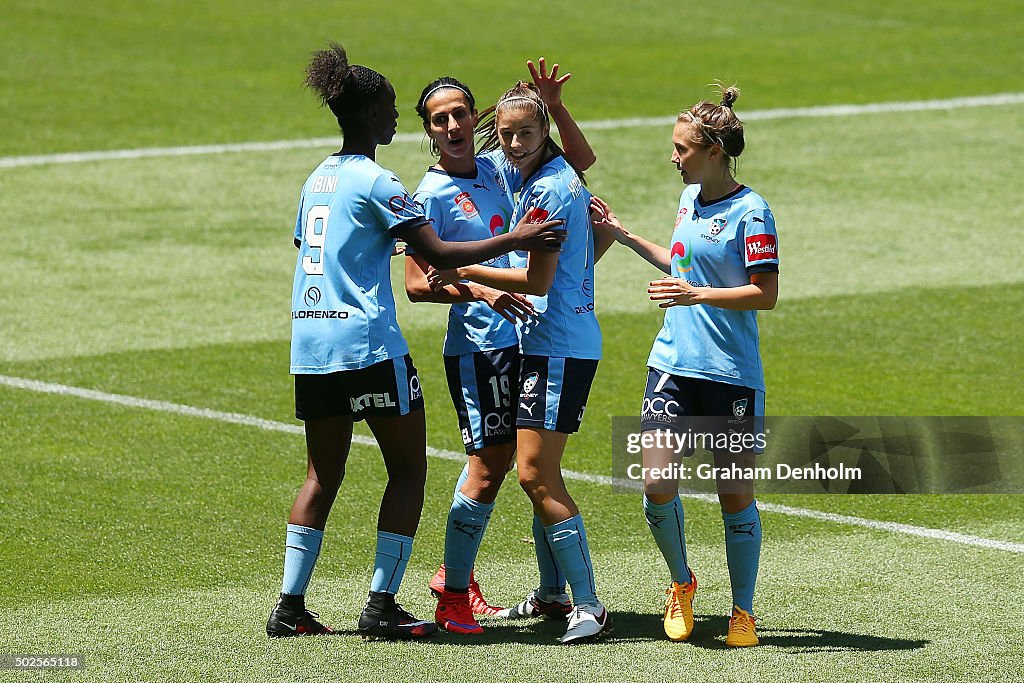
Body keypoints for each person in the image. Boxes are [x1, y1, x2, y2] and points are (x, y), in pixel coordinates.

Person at [265, 42, 565, 641]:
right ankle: (380, 605)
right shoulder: (382, 182)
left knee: (320, 477)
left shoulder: (315, 179)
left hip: (310, 345)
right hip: (370, 346)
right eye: (393, 106)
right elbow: (435, 255)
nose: (397, 114)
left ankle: (289, 605)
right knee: (407, 470)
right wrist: (517, 240)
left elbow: (307, 249)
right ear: (371, 115)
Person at [405, 59, 597, 636]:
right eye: (440, 120)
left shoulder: (500, 167)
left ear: (476, 117)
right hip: (478, 347)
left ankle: (555, 594)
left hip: (528, 339)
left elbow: (577, 163)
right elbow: (418, 283)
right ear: (430, 131)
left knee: (532, 468)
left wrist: (554, 107)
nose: (454, 125)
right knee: (492, 469)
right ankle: (454, 590)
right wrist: (481, 290)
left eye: (461, 113)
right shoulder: (429, 194)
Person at [590, 84, 779, 647]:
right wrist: (623, 236)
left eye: (682, 149)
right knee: (655, 480)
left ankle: (742, 611)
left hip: (729, 372)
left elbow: (763, 293)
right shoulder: (688, 200)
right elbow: (679, 265)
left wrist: (697, 296)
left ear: (714, 150)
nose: (673, 158)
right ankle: (681, 582)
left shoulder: (753, 211)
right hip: (671, 363)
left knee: (734, 494)